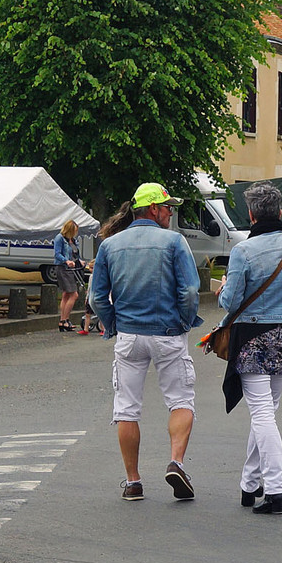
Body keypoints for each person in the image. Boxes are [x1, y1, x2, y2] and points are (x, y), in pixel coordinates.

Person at [88, 182, 203, 503]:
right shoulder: (173, 242)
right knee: (181, 400)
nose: (170, 213)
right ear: (154, 209)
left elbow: (96, 297)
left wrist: (113, 324)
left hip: (129, 335)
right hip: (167, 333)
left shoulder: (111, 246)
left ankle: (133, 481)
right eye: (168, 207)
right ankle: (176, 462)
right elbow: (190, 292)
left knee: (126, 409)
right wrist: (185, 320)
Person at [217, 182, 282, 515]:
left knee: (261, 414)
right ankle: (249, 484)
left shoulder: (244, 251)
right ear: (281, 212)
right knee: (267, 411)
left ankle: (276, 491)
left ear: (252, 215)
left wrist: (223, 291)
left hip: (253, 337)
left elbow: (229, 302)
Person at [53, 219, 83, 332]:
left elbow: (75, 254)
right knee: (74, 294)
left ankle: (63, 321)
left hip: (72, 268)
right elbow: (57, 254)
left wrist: (80, 261)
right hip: (63, 268)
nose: (75, 233)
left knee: (66, 294)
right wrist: (66, 261)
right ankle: (65, 320)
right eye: (74, 231)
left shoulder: (73, 241)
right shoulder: (59, 238)